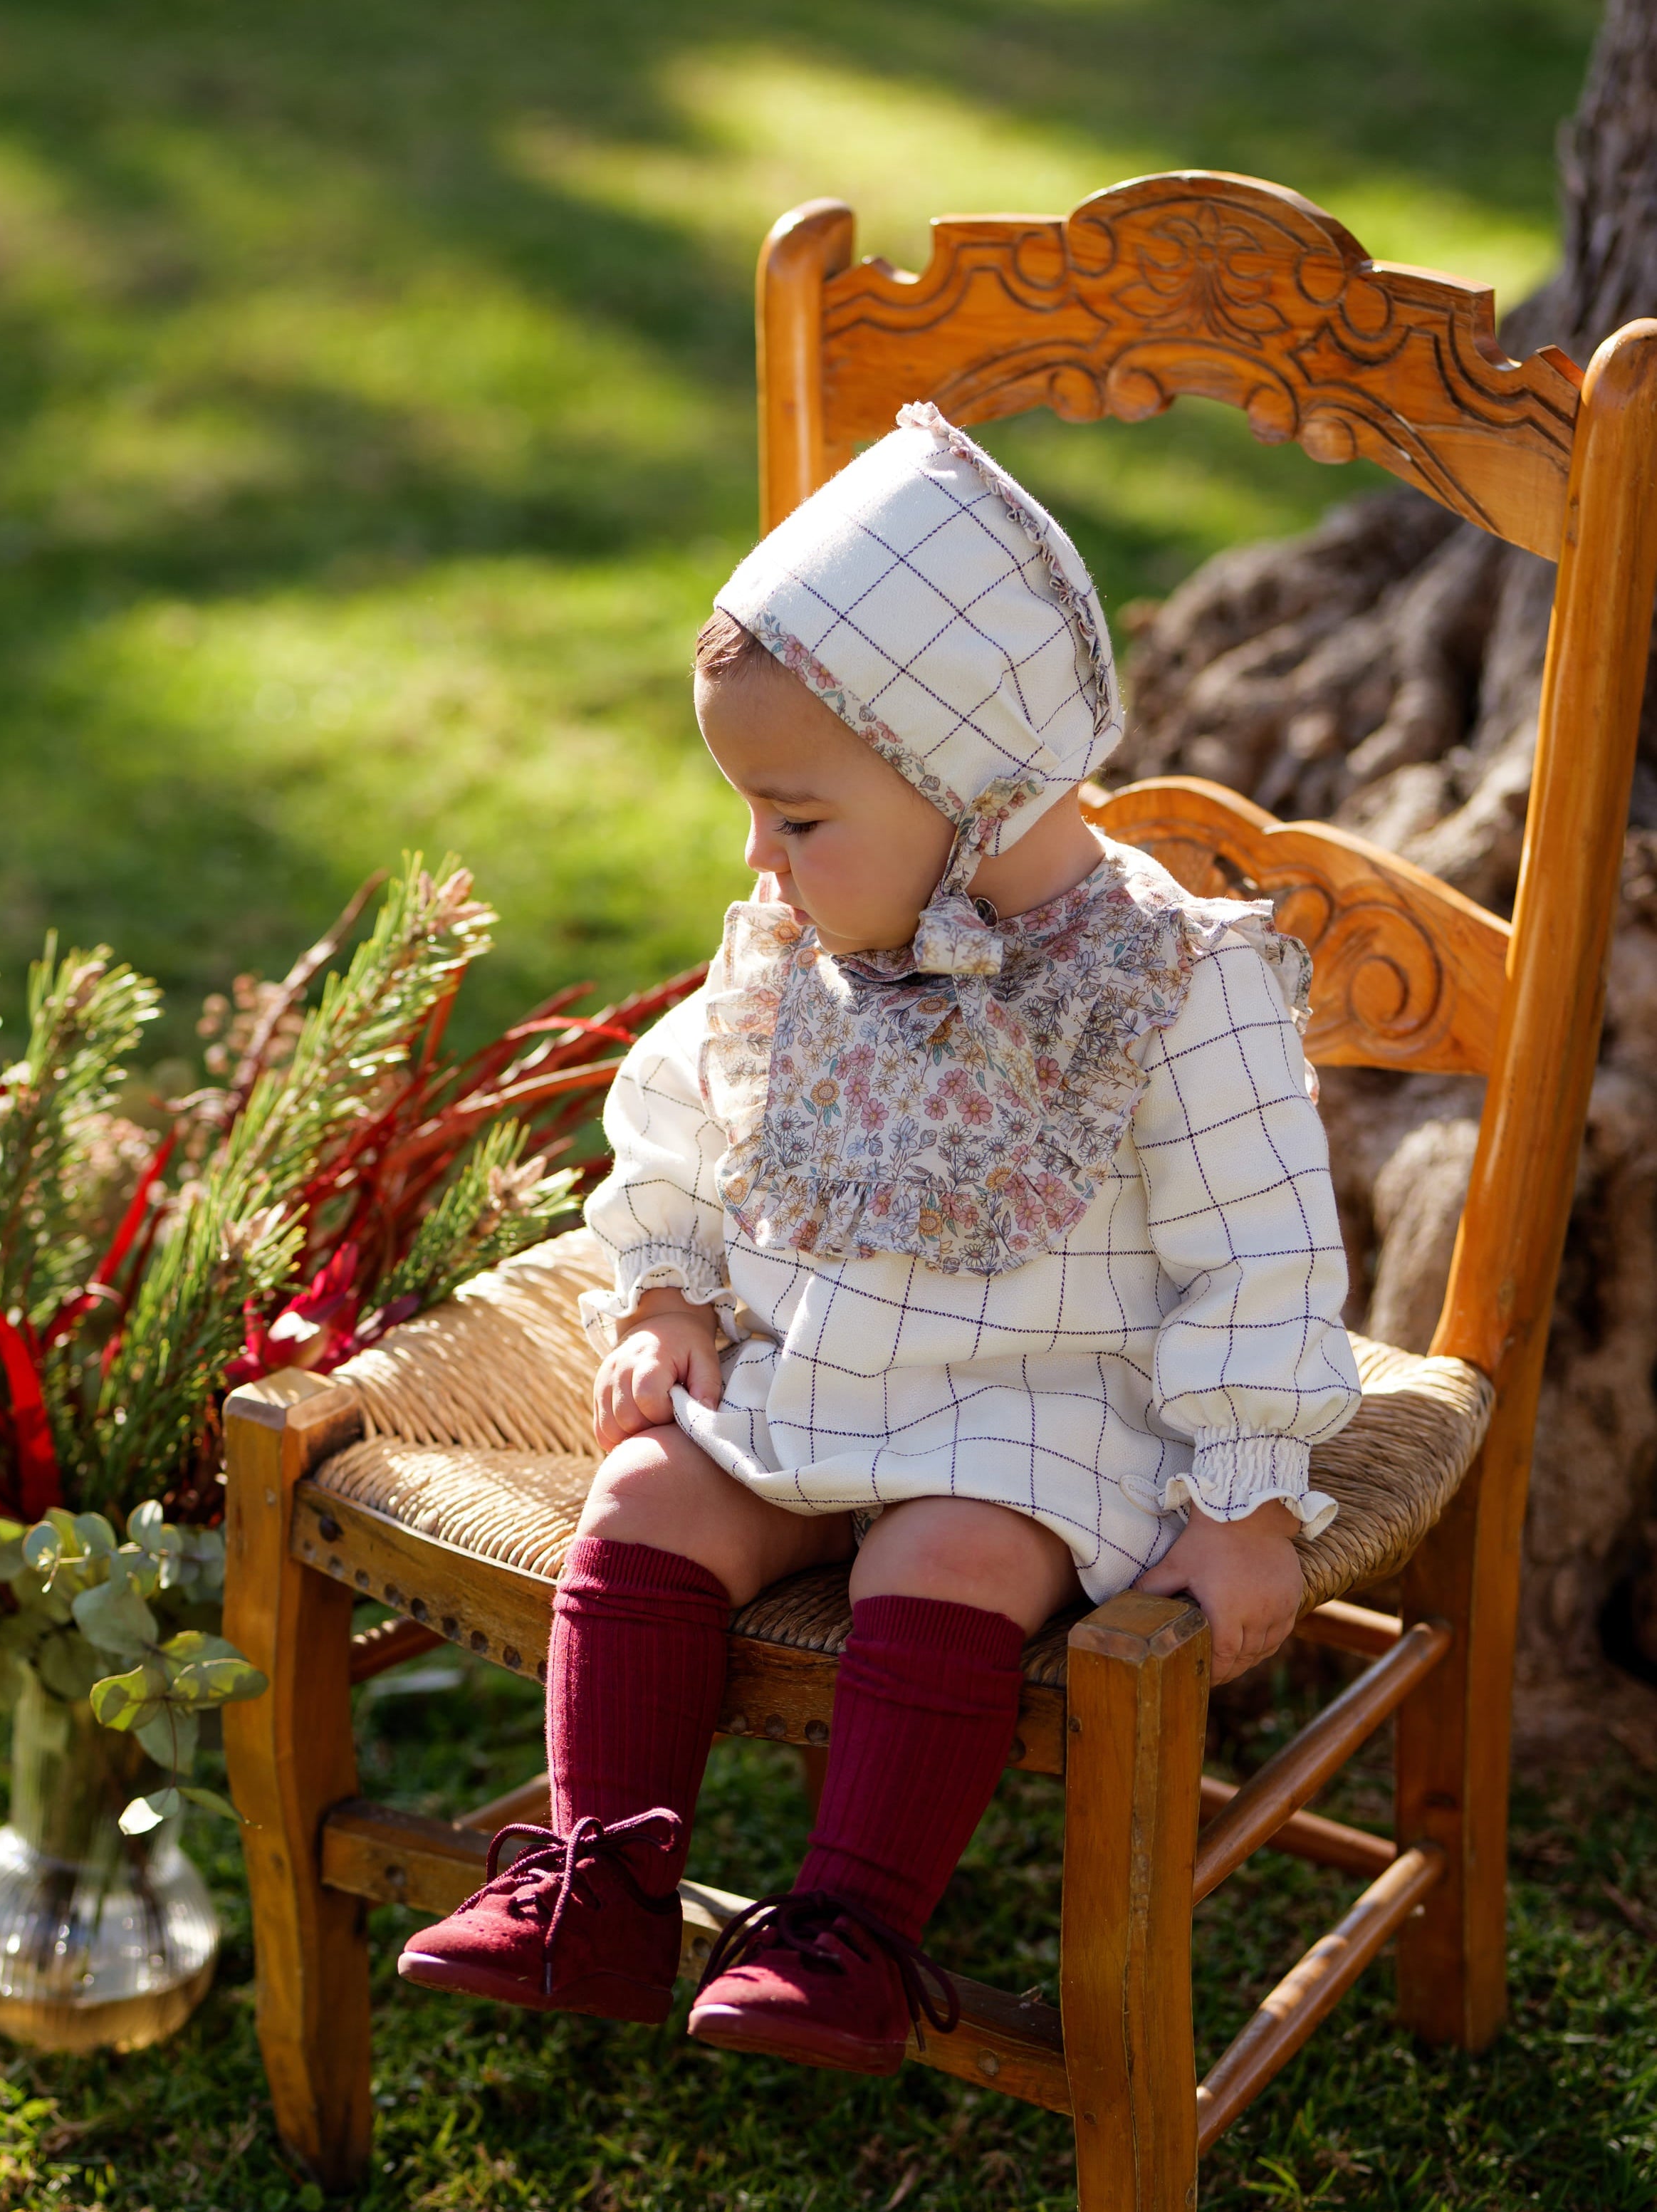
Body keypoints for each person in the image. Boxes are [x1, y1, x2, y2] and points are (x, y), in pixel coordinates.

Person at [399, 404, 1360, 2075]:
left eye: (795, 814)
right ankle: (600, 1883)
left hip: (1026, 1414)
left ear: (966, 786)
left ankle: (847, 1933)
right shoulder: (794, 947)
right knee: (643, 1492)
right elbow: (689, 1117)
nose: (757, 857)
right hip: (799, 1380)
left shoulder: (1168, 985)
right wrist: (669, 1286)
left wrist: (1247, 1497)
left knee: (953, 1559)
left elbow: (1259, 1250)